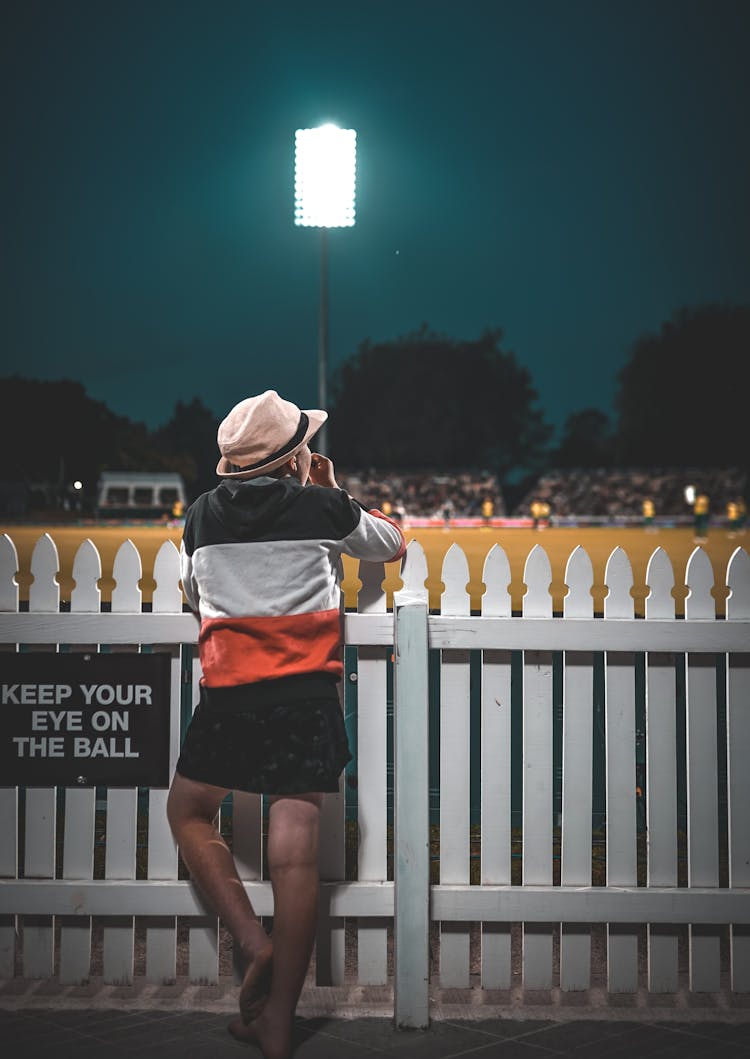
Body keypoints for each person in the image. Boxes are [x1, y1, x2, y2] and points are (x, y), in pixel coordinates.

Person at [166, 390, 406, 1059]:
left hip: (229, 697)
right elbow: (390, 544)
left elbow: (192, 592)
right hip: (307, 697)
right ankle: (278, 1022)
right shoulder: (324, 506)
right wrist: (334, 489)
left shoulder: (199, 519)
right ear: (295, 455)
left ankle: (253, 940)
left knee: (187, 814)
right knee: (295, 855)